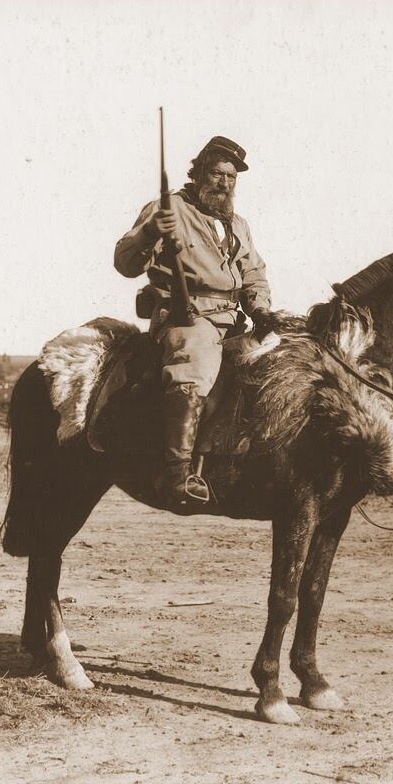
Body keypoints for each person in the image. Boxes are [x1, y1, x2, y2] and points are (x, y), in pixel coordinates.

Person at [114, 135, 278, 507]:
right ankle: (178, 473)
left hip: (233, 320)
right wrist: (151, 230)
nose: (224, 184)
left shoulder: (239, 225)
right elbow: (124, 262)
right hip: (187, 318)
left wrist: (262, 311)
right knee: (198, 357)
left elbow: (254, 275)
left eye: (232, 177)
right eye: (217, 173)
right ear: (200, 172)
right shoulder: (168, 209)